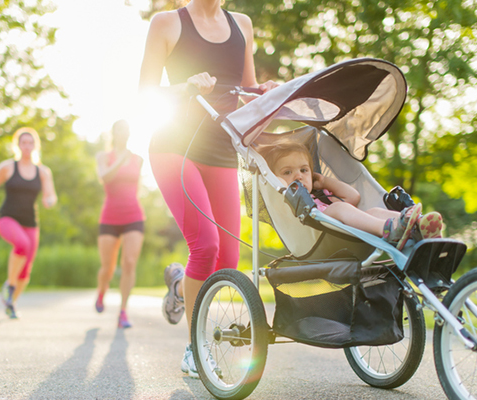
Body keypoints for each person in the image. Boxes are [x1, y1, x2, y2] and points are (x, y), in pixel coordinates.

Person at [138, 0, 278, 377]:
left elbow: (246, 91)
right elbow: (145, 91)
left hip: (221, 149)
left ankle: (181, 284)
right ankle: (195, 350)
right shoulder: (167, 23)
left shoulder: (242, 25)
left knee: (227, 258)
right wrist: (184, 86)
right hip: (174, 145)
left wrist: (263, 91)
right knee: (207, 244)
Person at [259, 140, 443, 247]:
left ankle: (416, 226)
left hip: (344, 230)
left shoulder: (320, 195)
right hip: (318, 235)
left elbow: (353, 197)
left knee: (372, 212)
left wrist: (324, 182)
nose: (298, 175)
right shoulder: (287, 200)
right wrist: (280, 180)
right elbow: (279, 185)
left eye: (304, 170)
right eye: (287, 172)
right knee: (340, 207)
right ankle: (388, 229)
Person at [0, 127, 57, 319]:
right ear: (18, 145)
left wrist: (50, 201)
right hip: (6, 218)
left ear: (35, 146)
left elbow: (50, 195)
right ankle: (10, 286)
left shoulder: (43, 171)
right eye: (23, 142)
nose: (27, 146)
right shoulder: (7, 167)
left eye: (30, 143)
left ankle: (12, 302)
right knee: (22, 244)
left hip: (31, 223)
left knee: (26, 271)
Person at [95, 120, 145, 329]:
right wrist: (120, 160)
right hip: (109, 217)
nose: (123, 132)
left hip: (133, 215)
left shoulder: (138, 159)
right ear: (113, 133)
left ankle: (123, 311)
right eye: (120, 129)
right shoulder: (103, 157)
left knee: (130, 262)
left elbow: (137, 185)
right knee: (108, 267)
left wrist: (127, 159)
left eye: (127, 129)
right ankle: (101, 291)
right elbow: (104, 178)